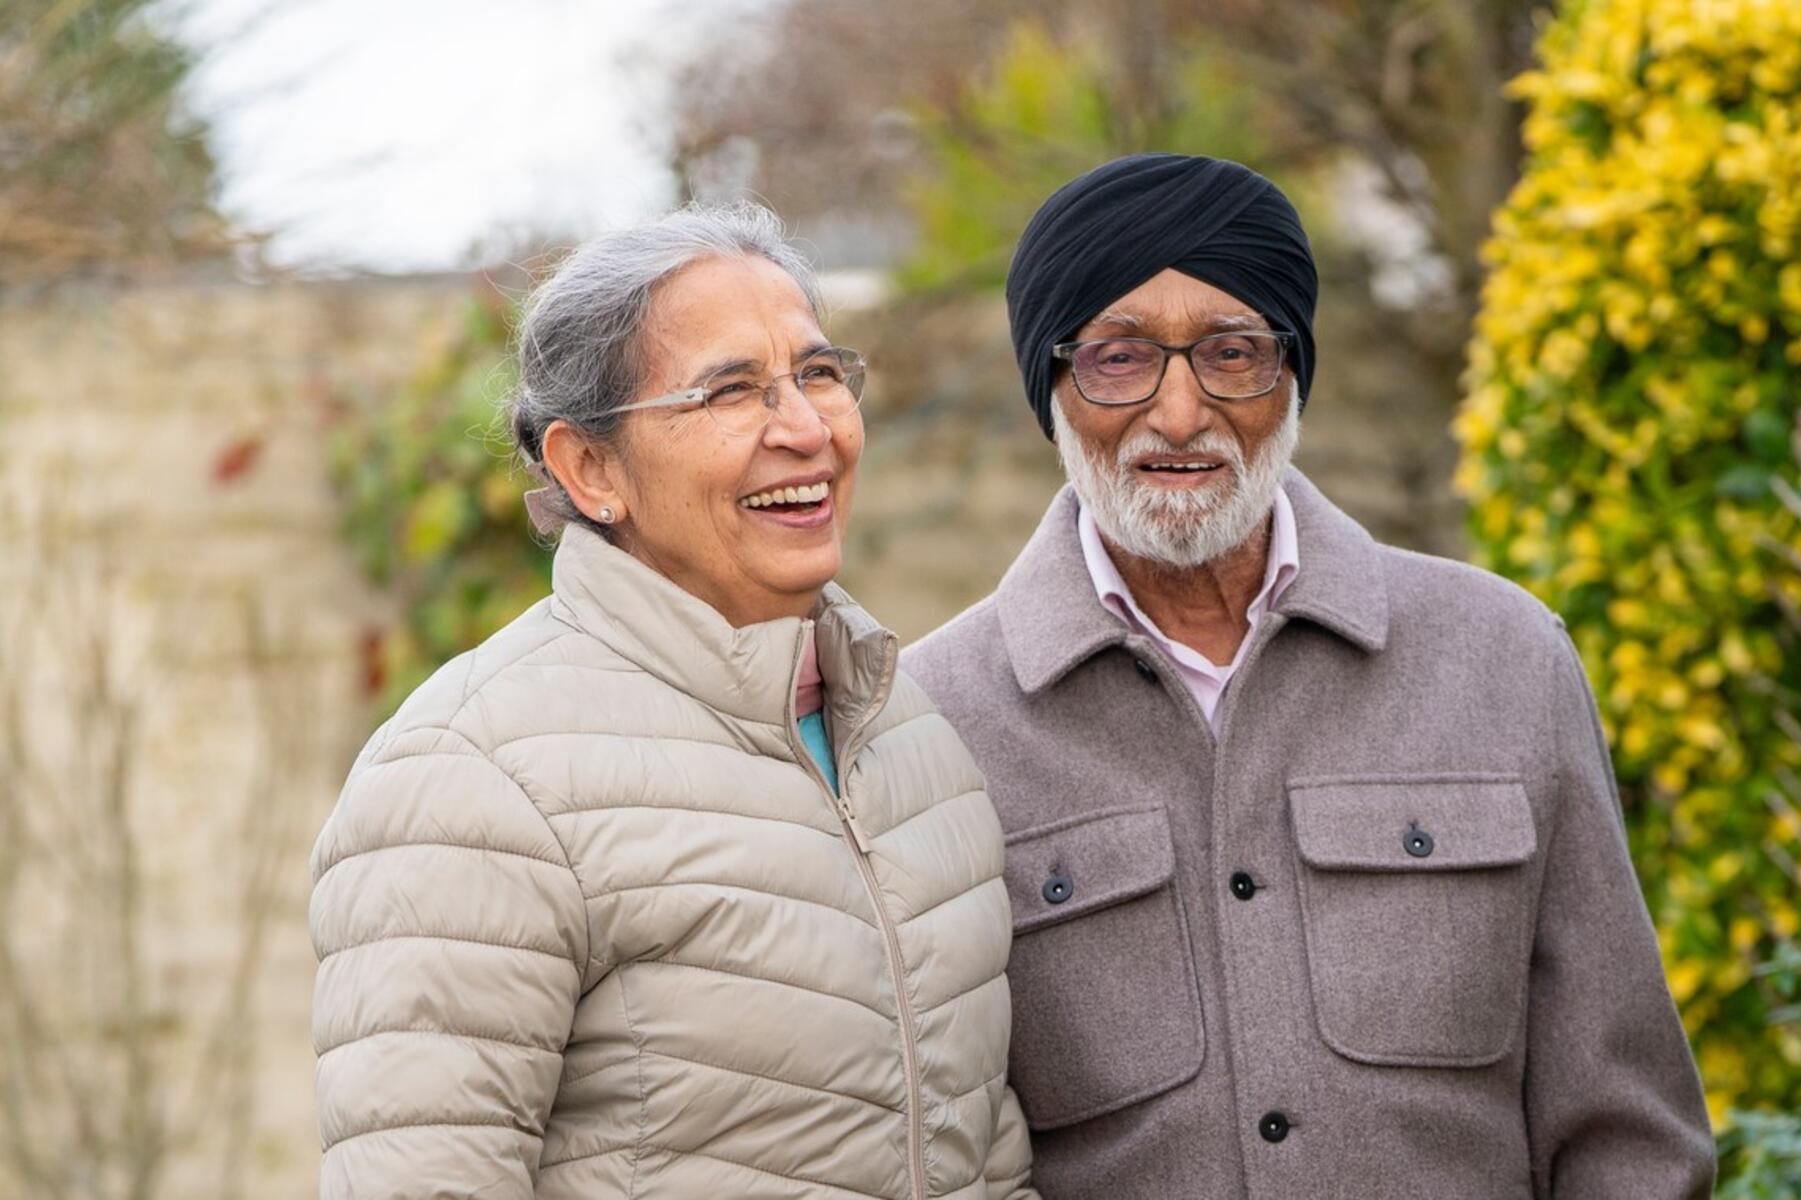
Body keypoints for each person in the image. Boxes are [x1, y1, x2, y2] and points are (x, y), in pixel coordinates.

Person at [904, 154, 1715, 1198]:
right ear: (1050, 388)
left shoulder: (1501, 656)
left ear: (1293, 375)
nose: (1183, 414)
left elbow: (1630, 1132)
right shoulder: (933, 724)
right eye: (1118, 359)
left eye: (1234, 353)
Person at [308, 202, 1036, 1200]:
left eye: (818, 374)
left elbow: (987, 1160)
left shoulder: (916, 739)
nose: (807, 429)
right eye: (731, 392)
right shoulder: (469, 776)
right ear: (591, 469)